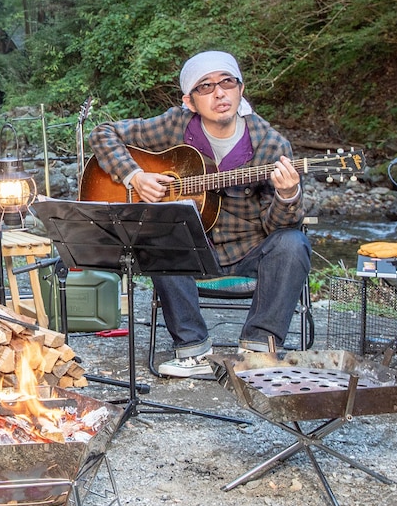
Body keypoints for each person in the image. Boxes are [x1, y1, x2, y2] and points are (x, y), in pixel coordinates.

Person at [89, 50, 310, 378]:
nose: (219, 93)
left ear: (240, 89)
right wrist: (134, 176)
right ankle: (193, 351)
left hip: (247, 251)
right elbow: (102, 134)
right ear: (190, 101)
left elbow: (276, 226)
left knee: (294, 242)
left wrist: (288, 194)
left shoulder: (270, 144)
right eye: (205, 87)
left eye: (227, 83)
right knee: (161, 232)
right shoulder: (174, 125)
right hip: (190, 253)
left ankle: (258, 351)